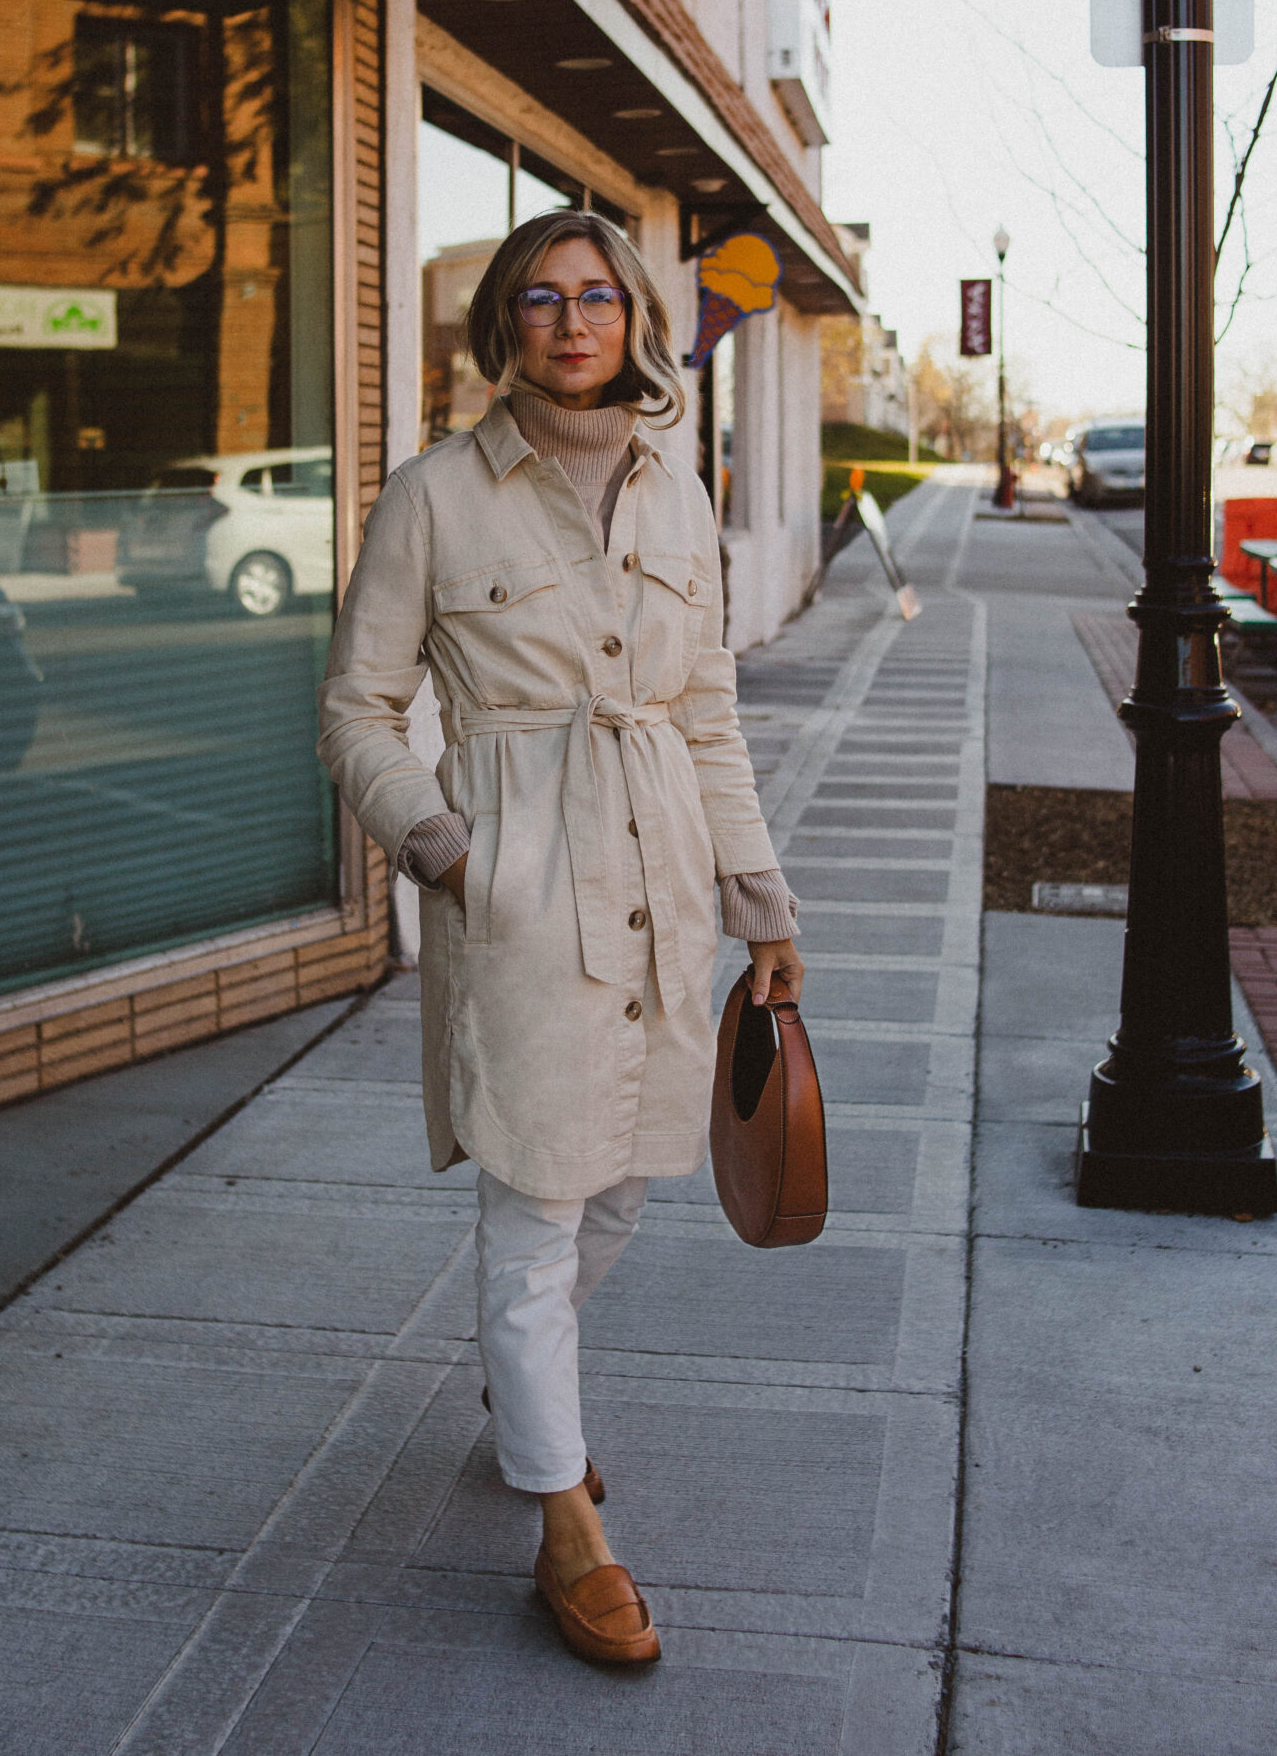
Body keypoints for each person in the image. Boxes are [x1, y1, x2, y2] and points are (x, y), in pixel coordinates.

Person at [317, 209, 803, 1666]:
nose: (573, 320)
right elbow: (355, 705)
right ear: (502, 329)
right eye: (542, 298)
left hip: (661, 883)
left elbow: (705, 708)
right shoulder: (435, 496)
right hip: (522, 887)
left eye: (599, 296)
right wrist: (449, 851)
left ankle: (524, 1396)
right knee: (533, 1205)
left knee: (624, 1191)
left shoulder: (675, 490)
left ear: (637, 320)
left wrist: (762, 901)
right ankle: (563, 1523)